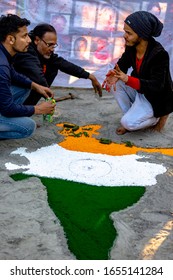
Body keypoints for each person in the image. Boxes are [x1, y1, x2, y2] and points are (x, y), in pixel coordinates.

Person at [102, 11, 173, 135]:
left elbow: (157, 86)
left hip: (154, 98)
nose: (125, 35)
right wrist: (114, 74)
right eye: (125, 31)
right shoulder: (131, 46)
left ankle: (155, 118)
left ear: (142, 35)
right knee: (114, 84)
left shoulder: (160, 55)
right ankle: (131, 115)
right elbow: (123, 64)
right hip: (140, 91)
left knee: (128, 123)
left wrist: (127, 79)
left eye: (129, 33)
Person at [13, 23, 102, 106]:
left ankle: (23, 113)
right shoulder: (26, 51)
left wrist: (89, 76)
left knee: (52, 68)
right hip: (9, 92)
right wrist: (49, 96)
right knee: (34, 86)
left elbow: (62, 64)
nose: (52, 49)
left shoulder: (43, 52)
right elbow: (38, 77)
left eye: (54, 45)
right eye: (49, 44)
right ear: (37, 40)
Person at [0, 14, 56, 140]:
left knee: (25, 86)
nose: (29, 40)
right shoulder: (1, 66)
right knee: (28, 126)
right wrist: (38, 109)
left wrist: (35, 86)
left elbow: (13, 74)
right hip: (5, 107)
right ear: (10, 39)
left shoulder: (4, 53)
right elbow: (7, 108)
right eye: (24, 36)